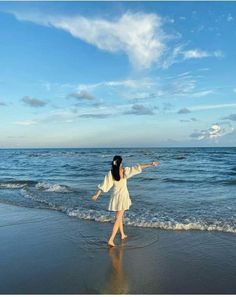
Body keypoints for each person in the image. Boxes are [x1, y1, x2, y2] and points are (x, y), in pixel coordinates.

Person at [91, 155, 159, 247]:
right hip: (122, 197)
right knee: (118, 218)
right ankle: (111, 240)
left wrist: (97, 194)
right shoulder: (124, 171)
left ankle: (122, 234)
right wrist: (150, 164)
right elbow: (137, 168)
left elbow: (104, 185)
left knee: (119, 217)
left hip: (115, 197)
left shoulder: (111, 173)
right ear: (120, 163)